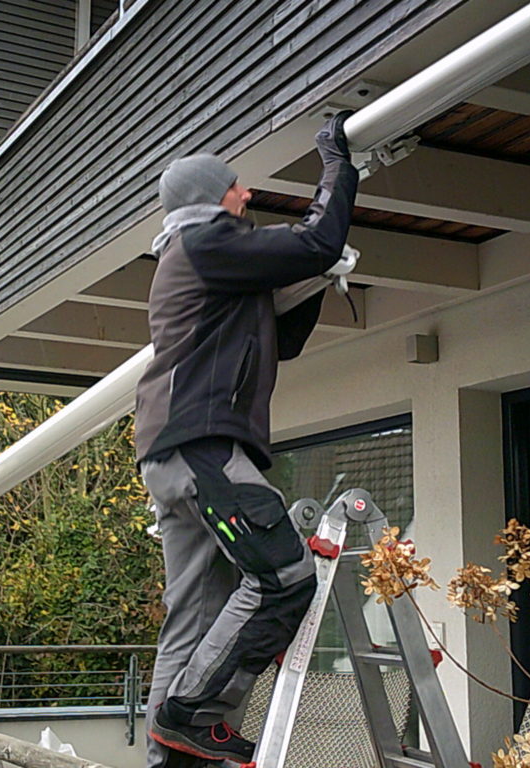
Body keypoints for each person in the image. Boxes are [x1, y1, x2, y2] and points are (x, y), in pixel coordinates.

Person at [135, 112, 359, 767]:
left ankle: (169, 758)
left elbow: (280, 340)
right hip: (202, 444)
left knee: (192, 620)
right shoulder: (205, 240)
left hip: (175, 450)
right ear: (210, 199)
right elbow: (316, 239)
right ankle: (186, 716)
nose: (247, 195)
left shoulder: (210, 260)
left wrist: (319, 281)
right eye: (236, 187)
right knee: (286, 576)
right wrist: (337, 163)